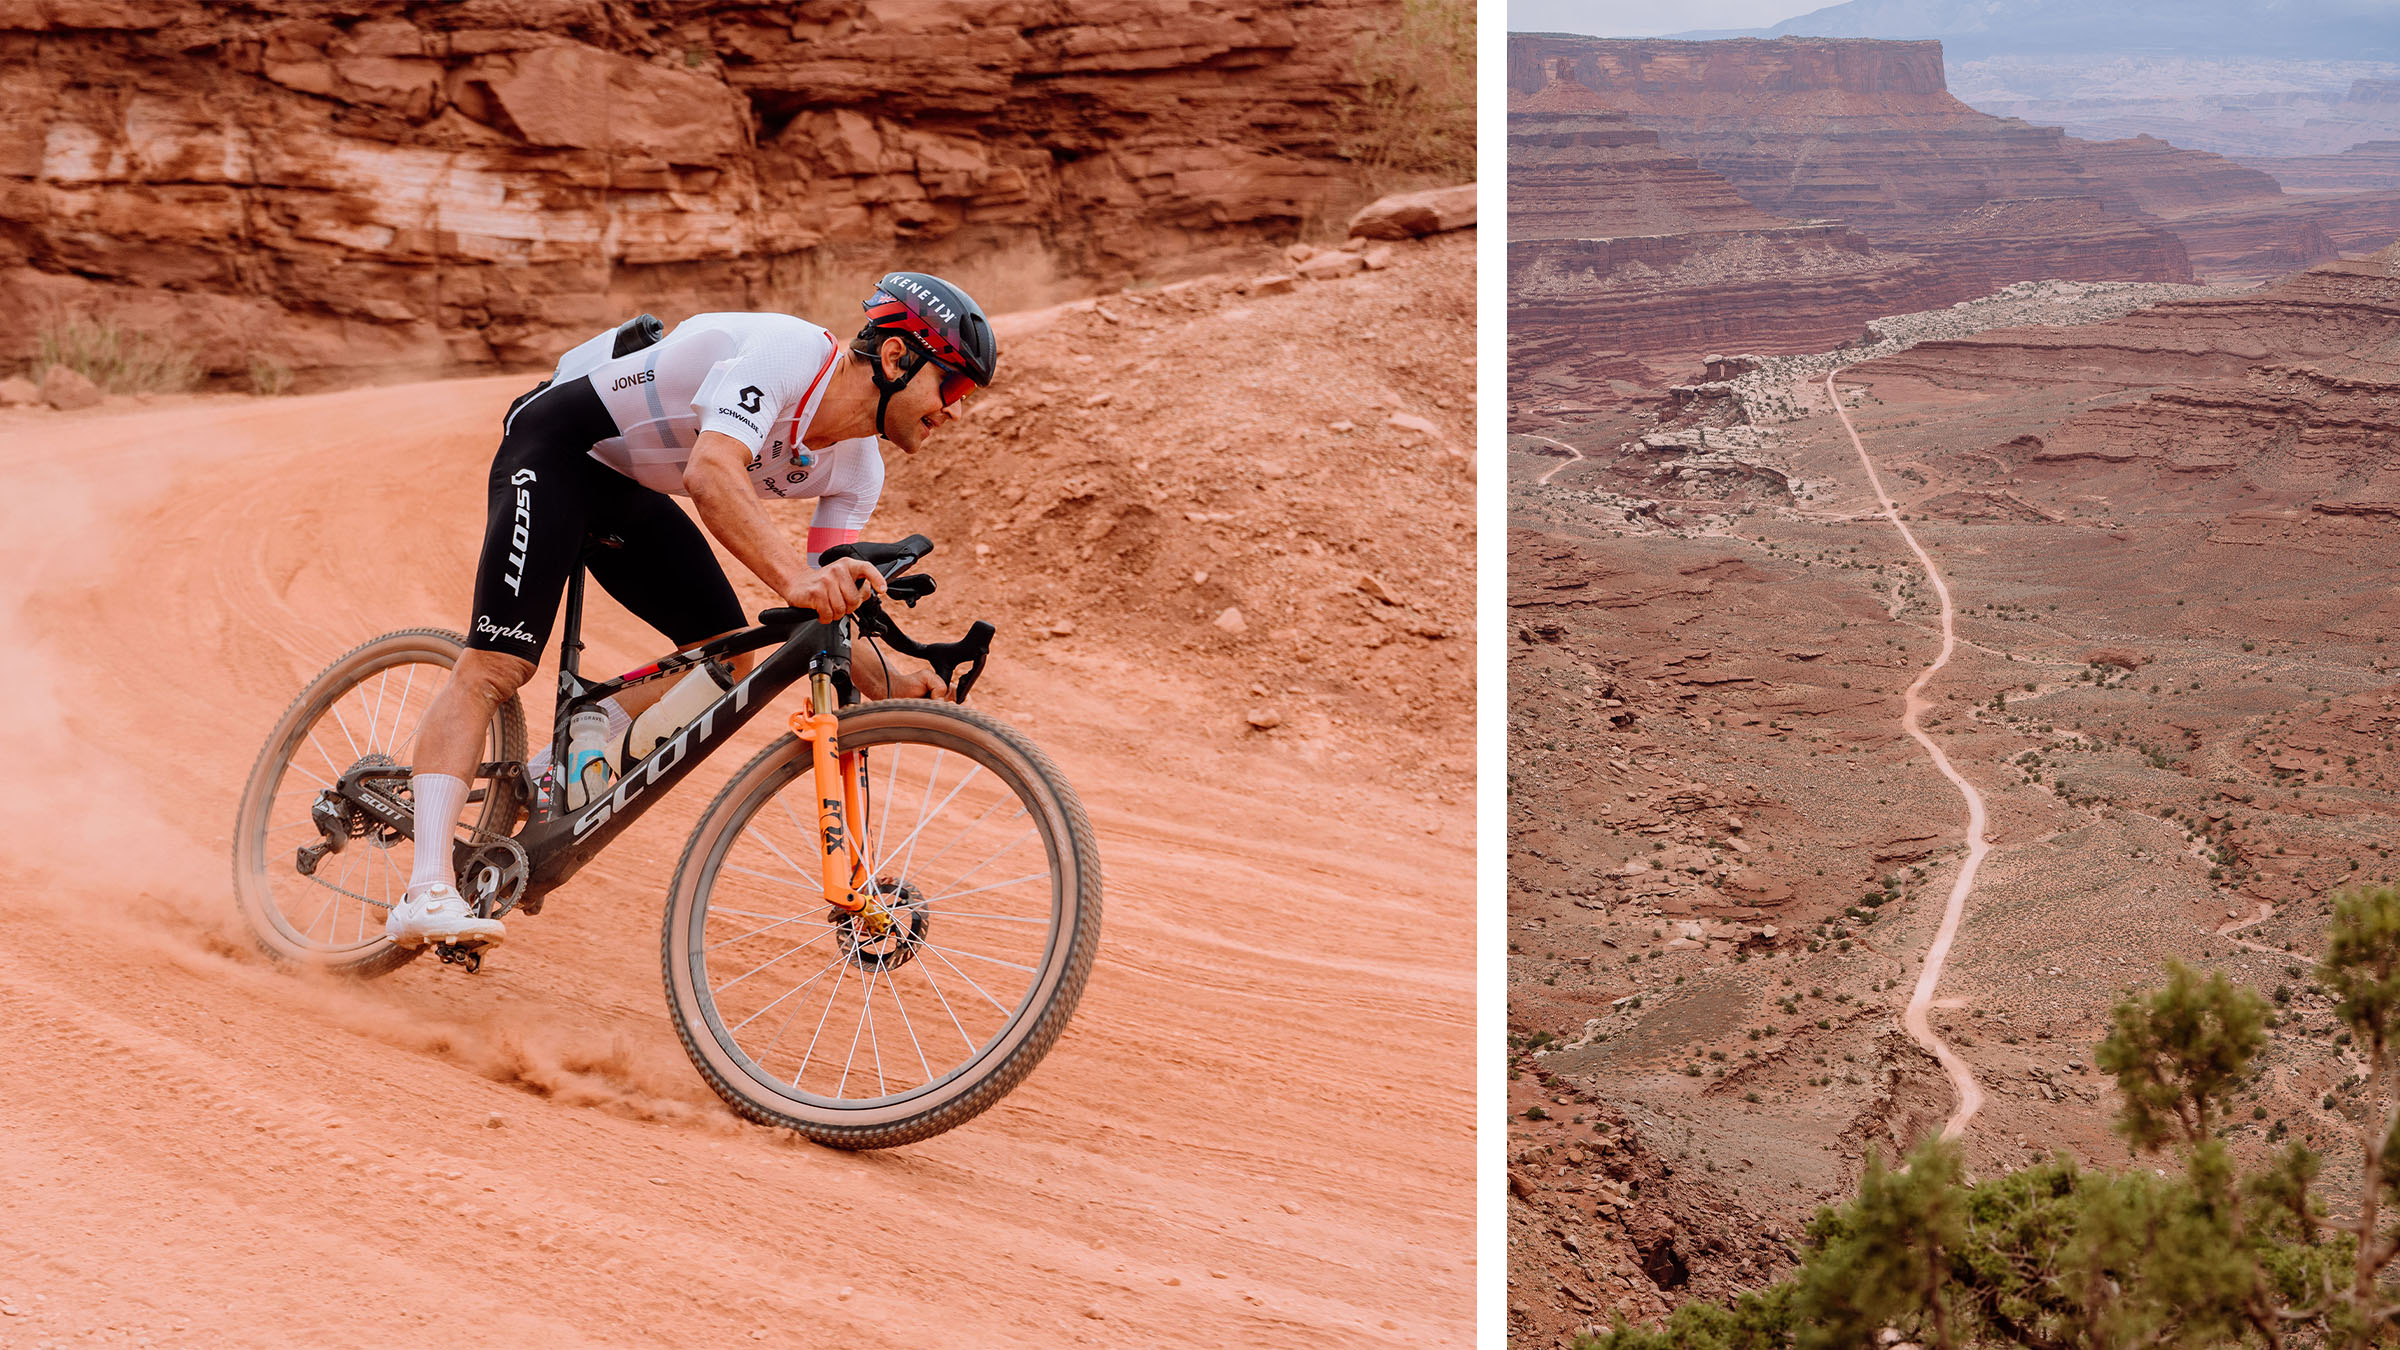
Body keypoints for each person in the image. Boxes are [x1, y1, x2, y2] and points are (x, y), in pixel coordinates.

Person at [386, 273, 998, 948]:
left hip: (633, 490)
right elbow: (712, 473)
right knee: (497, 666)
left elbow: (829, 608)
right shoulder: (787, 353)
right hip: (559, 449)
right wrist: (797, 578)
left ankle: (550, 767)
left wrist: (901, 680)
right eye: (955, 386)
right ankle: (425, 890)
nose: (957, 411)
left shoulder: (858, 469)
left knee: (725, 654)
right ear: (895, 358)